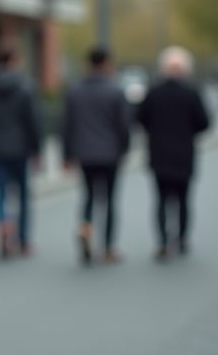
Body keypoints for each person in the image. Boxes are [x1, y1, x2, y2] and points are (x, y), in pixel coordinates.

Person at [137, 46, 211, 261]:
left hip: (158, 153)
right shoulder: (191, 93)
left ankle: (162, 241)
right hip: (183, 154)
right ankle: (182, 238)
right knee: (183, 199)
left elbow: (140, 119)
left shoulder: (154, 92)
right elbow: (204, 123)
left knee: (160, 199)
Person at [62, 45, 131, 265]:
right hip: (110, 153)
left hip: (84, 153)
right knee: (109, 200)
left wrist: (67, 155)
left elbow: (66, 126)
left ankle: (85, 227)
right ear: (107, 64)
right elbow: (123, 125)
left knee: (89, 196)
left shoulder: (74, 90)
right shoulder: (115, 90)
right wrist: (124, 149)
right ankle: (109, 247)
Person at [0, 41, 42, 258]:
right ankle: (22, 241)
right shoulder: (25, 86)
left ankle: (4, 223)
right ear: (13, 61)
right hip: (21, 147)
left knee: (1, 192)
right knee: (23, 194)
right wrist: (37, 150)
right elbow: (32, 120)